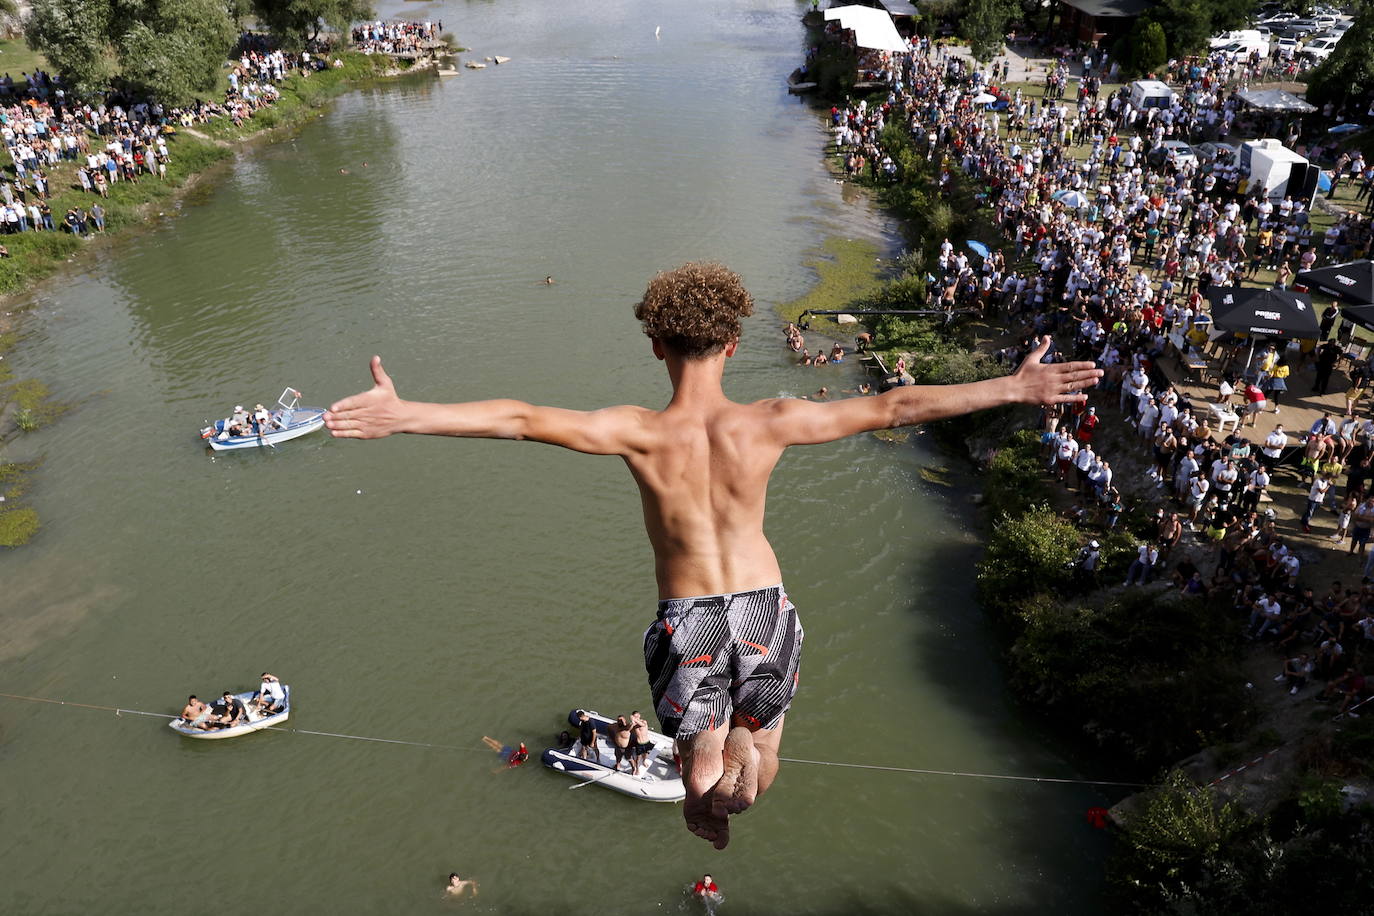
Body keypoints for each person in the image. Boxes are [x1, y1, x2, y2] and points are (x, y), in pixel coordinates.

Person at [323, 262, 1099, 849]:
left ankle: (703, 780)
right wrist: (1013, 387)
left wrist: (405, 415)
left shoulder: (638, 431)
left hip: (689, 617)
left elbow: (520, 418)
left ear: (655, 344)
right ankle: (730, 775)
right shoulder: (771, 421)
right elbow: (898, 405)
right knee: (762, 771)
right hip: (763, 605)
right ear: (732, 344)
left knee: (699, 758)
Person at [629, 710, 652, 776]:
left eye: (637, 716)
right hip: (639, 743)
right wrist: (632, 723)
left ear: (639, 716)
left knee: (646, 754)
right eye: (634, 717)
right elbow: (629, 731)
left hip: (646, 742)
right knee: (638, 758)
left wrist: (634, 719)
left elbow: (642, 724)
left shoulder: (643, 721)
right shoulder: (634, 725)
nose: (636, 718)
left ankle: (644, 761)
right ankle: (637, 769)